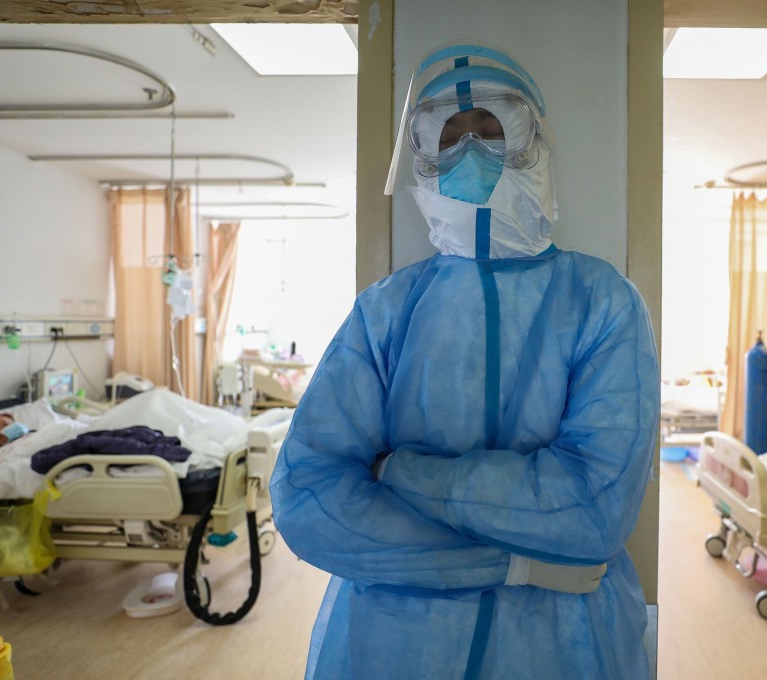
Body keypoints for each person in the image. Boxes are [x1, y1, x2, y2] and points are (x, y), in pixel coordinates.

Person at [271, 42, 659, 680]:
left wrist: (399, 474)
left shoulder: (601, 300)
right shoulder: (388, 310)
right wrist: (515, 565)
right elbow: (310, 499)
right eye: (450, 135)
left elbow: (592, 511)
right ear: (422, 154)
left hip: (562, 648)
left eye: (492, 129)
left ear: (531, 140)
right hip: (394, 650)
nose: (473, 152)